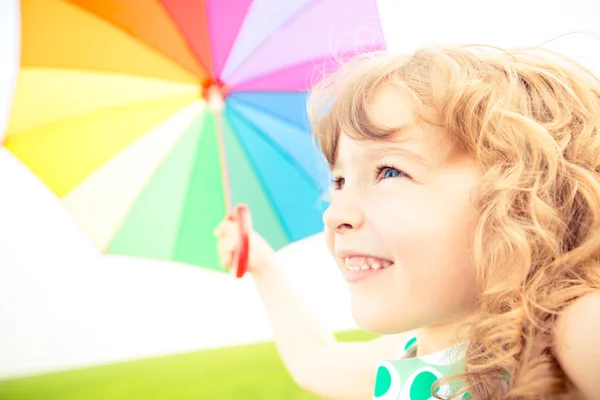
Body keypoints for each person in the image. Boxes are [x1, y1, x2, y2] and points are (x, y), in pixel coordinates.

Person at [215, 43, 600, 400]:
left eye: (389, 171)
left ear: (522, 196)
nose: (334, 214)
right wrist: (262, 265)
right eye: (339, 181)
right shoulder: (404, 360)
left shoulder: (567, 337)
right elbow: (315, 362)